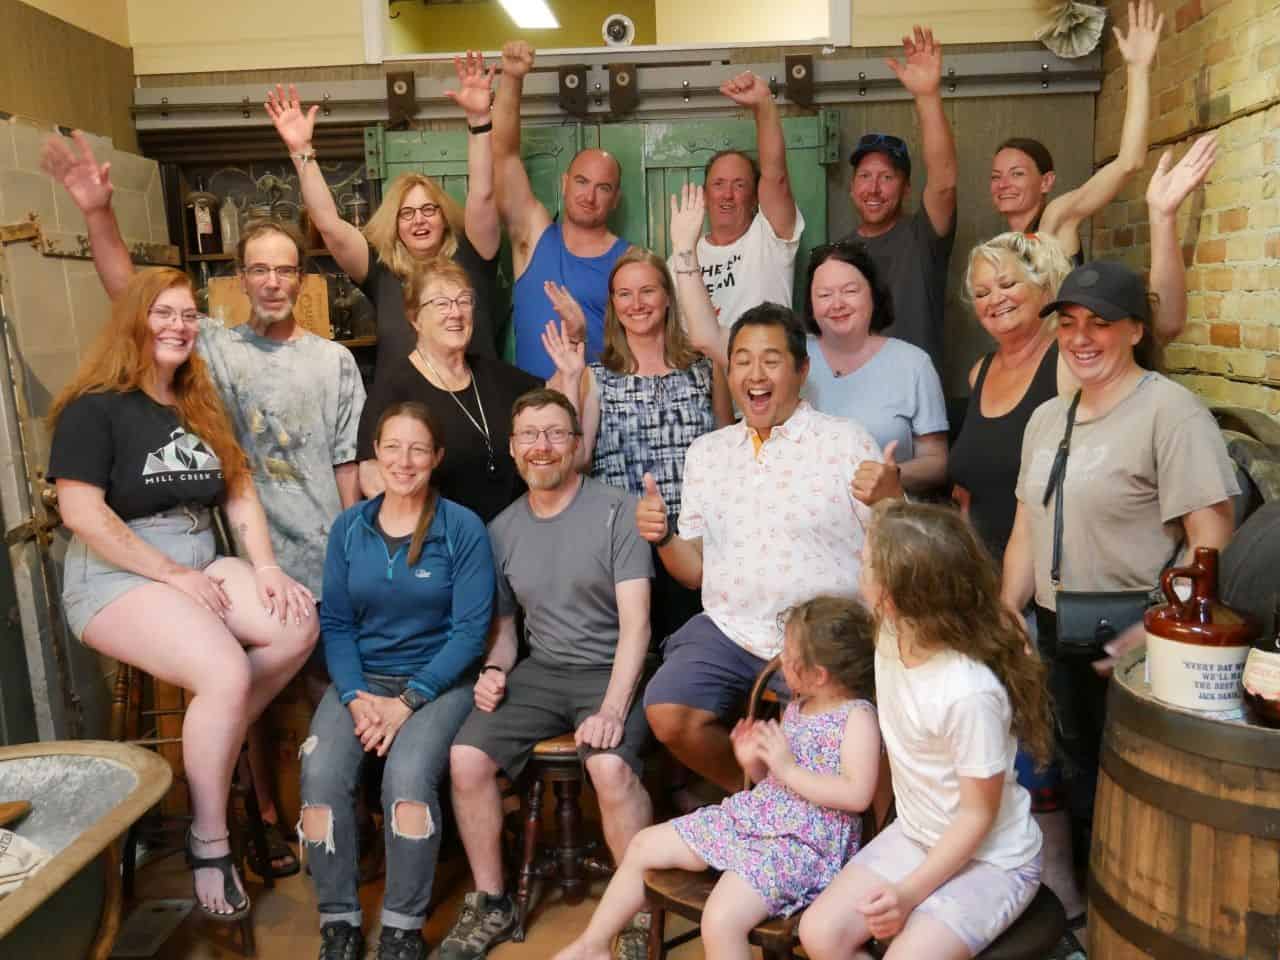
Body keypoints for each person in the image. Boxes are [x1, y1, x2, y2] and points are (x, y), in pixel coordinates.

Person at [41, 135, 374, 877]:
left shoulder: (332, 361)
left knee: (320, 687)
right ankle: (241, 821)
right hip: (230, 559)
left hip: (307, 554)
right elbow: (133, 292)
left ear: (303, 277)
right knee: (241, 691)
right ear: (240, 278)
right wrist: (97, 214)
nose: (273, 281)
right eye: (259, 268)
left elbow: (349, 466)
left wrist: (353, 549)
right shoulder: (209, 353)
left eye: (286, 269)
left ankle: (330, 824)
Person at [48, 268, 317, 922]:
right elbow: (83, 514)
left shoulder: (196, 400)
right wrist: (171, 576)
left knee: (297, 623)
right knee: (223, 669)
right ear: (135, 322)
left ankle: (216, 727)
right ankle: (210, 839)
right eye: (163, 313)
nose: (178, 325)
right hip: (118, 574)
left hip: (199, 555)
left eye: (187, 314)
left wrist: (267, 567)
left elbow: (239, 490)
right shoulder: (96, 406)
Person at [1001, 258, 1238, 883]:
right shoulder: (1049, 417)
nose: (1081, 337)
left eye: (1099, 323)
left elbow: (1210, 537)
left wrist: (1158, 626)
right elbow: (1027, 526)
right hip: (1057, 630)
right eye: (1069, 322)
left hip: (1136, 639)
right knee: (1065, 773)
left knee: (1129, 788)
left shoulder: (1171, 412)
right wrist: (1006, 617)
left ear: (1136, 330)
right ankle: (1075, 909)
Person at [638, 304, 899, 796]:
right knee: (669, 710)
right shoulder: (707, 454)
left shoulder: (844, 441)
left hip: (823, 636)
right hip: (731, 628)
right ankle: (764, 804)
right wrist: (664, 538)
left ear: (802, 370)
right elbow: (693, 573)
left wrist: (890, 498)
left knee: (851, 742)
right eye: (741, 360)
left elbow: (897, 545)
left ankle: (823, 824)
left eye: (771, 360)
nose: (755, 374)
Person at [440, 389, 654, 960]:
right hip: (543, 671)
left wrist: (612, 709)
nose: (543, 446)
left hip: (611, 669)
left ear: (576, 444)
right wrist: (492, 669)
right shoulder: (502, 529)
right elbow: (508, 633)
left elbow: (637, 627)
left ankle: (639, 910)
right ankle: (491, 901)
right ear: (513, 449)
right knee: (465, 757)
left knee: (608, 768)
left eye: (556, 433)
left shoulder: (617, 510)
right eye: (530, 435)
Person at [553, 595, 880, 960]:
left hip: (803, 845)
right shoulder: (799, 706)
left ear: (819, 675)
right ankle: (593, 946)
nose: (779, 660)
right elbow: (776, 781)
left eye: (788, 656)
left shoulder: (857, 718)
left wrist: (787, 768)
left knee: (721, 918)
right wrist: (753, 762)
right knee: (643, 845)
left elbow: (857, 795)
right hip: (758, 818)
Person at [800, 501, 1053, 959]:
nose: (860, 559)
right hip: (916, 835)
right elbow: (920, 537)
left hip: (992, 861)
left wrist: (909, 894)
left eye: (870, 560)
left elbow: (977, 816)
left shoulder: (967, 692)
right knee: (819, 934)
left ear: (893, 597)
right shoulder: (890, 632)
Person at [952, 134, 1217, 562]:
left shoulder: (1070, 361)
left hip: (1065, 584)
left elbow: (1162, 323)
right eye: (981, 292)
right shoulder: (979, 371)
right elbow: (967, 492)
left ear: (1044, 290)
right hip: (987, 585)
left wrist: (1162, 218)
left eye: (1007, 285)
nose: (993, 299)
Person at [302, 402, 494, 960]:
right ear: (375, 457)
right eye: (392, 448)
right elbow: (336, 624)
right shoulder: (349, 528)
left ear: (435, 458)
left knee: (406, 779)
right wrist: (357, 698)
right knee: (319, 772)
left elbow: (470, 633)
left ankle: (402, 928)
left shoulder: (461, 527)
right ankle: (337, 920)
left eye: (417, 449)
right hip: (361, 683)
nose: (403, 461)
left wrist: (407, 702)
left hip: (439, 682)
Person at [541, 185, 728, 643]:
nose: (637, 303)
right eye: (624, 294)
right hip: (623, 547)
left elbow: (729, 448)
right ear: (614, 306)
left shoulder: (704, 369)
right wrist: (566, 379)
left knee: (694, 652)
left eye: (647, 291)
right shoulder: (596, 376)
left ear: (668, 297)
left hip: (699, 543)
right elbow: (577, 459)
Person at [264, 51, 502, 379]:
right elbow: (330, 226)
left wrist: (479, 121)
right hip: (402, 416)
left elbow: (484, 193)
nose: (418, 220)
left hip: (474, 410)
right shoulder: (381, 269)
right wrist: (301, 152)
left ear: (444, 217)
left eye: (428, 209)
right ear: (395, 226)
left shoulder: (474, 253)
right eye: (406, 214)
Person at [355, 259, 552, 522]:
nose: (456, 313)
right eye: (441, 303)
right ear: (415, 318)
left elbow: (553, 405)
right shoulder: (393, 389)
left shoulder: (498, 375)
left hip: (514, 540)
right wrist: (426, 536)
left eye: (464, 301)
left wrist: (573, 368)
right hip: (441, 546)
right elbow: (372, 477)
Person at [495, 41, 631, 377]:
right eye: (582, 182)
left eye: (603, 188)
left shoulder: (629, 260)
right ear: (564, 183)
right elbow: (503, 154)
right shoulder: (533, 235)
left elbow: (642, 352)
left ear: (615, 198)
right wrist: (512, 78)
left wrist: (585, 337)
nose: (590, 196)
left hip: (601, 413)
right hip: (534, 415)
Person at [990, 0, 1162, 265]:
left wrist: (1137, 69)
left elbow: (1130, 161)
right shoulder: (1007, 245)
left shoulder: (1055, 219)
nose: (1003, 185)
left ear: (1046, 182)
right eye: (996, 176)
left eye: (1017, 174)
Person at [842, 26, 957, 372]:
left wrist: (927, 95)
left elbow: (944, 183)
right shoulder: (839, 253)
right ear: (852, 187)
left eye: (887, 177)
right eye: (865, 176)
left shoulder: (922, 236)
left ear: (906, 188)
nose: (874, 188)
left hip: (915, 404)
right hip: (856, 403)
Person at [801, 240, 948, 494]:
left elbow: (937, 462)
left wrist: (890, 475)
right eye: (824, 295)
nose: (837, 304)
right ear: (811, 305)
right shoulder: (792, 356)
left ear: (873, 295)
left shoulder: (913, 363)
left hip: (887, 519)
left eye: (849, 291)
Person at [667, 71, 804, 329]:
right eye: (718, 184)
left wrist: (763, 104)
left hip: (761, 366)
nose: (727, 195)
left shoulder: (769, 238)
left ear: (755, 198)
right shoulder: (682, 256)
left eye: (739, 185)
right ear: (705, 196)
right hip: (699, 368)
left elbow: (776, 176)